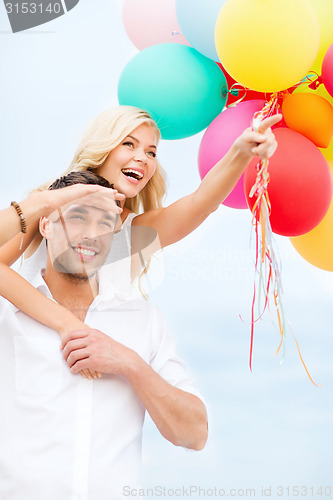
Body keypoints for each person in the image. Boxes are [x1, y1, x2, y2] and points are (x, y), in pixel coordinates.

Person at [0, 171, 208, 500]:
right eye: (78, 216)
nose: (91, 235)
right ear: (45, 224)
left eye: (104, 223)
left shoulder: (144, 321)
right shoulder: (5, 314)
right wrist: (47, 201)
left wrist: (129, 363)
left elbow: (194, 433)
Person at [0, 105, 282, 345]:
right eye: (129, 144)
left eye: (151, 152)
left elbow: (201, 203)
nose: (142, 158)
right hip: (30, 353)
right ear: (103, 148)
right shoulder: (49, 205)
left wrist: (241, 151)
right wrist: (65, 323)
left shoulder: (135, 233)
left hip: (95, 368)